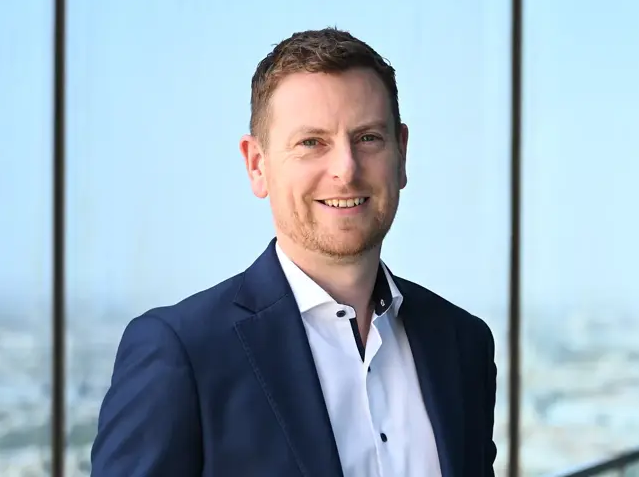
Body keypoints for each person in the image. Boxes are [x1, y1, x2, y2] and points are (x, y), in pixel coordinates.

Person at [90, 28, 497, 477]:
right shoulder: (181, 353)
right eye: (311, 142)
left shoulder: (463, 344)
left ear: (401, 153)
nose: (345, 169)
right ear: (256, 165)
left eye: (367, 138)